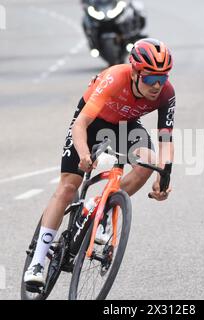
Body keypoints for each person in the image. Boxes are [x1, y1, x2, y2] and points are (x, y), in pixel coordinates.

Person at [24, 38, 176, 287]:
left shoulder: (166, 93)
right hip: (92, 122)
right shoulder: (115, 78)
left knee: (149, 161)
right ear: (136, 72)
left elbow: (166, 138)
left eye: (163, 77)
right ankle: (38, 260)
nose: (157, 85)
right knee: (68, 186)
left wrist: (165, 175)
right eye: (150, 78)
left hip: (126, 126)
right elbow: (80, 124)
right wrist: (84, 154)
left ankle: (102, 210)